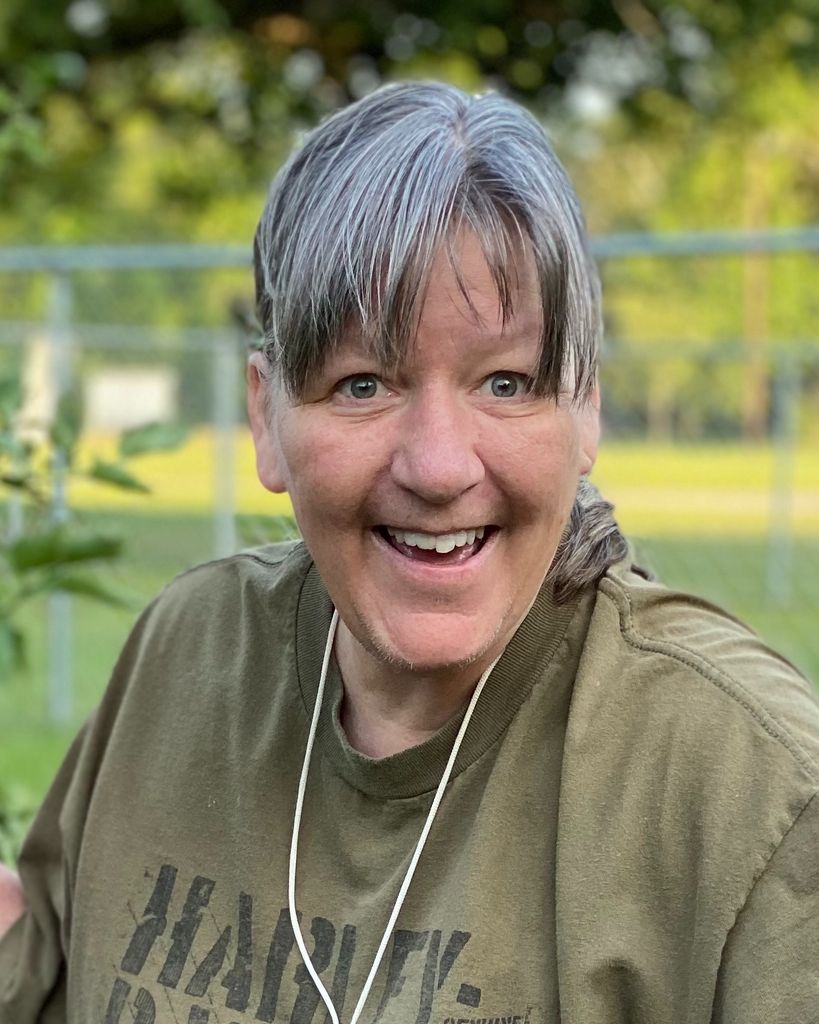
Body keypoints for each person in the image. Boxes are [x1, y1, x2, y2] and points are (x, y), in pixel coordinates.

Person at [1, 81, 817, 1024]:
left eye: (505, 382)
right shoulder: (190, 653)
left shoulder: (745, 784)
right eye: (362, 384)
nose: (437, 466)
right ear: (266, 416)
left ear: (586, 406)